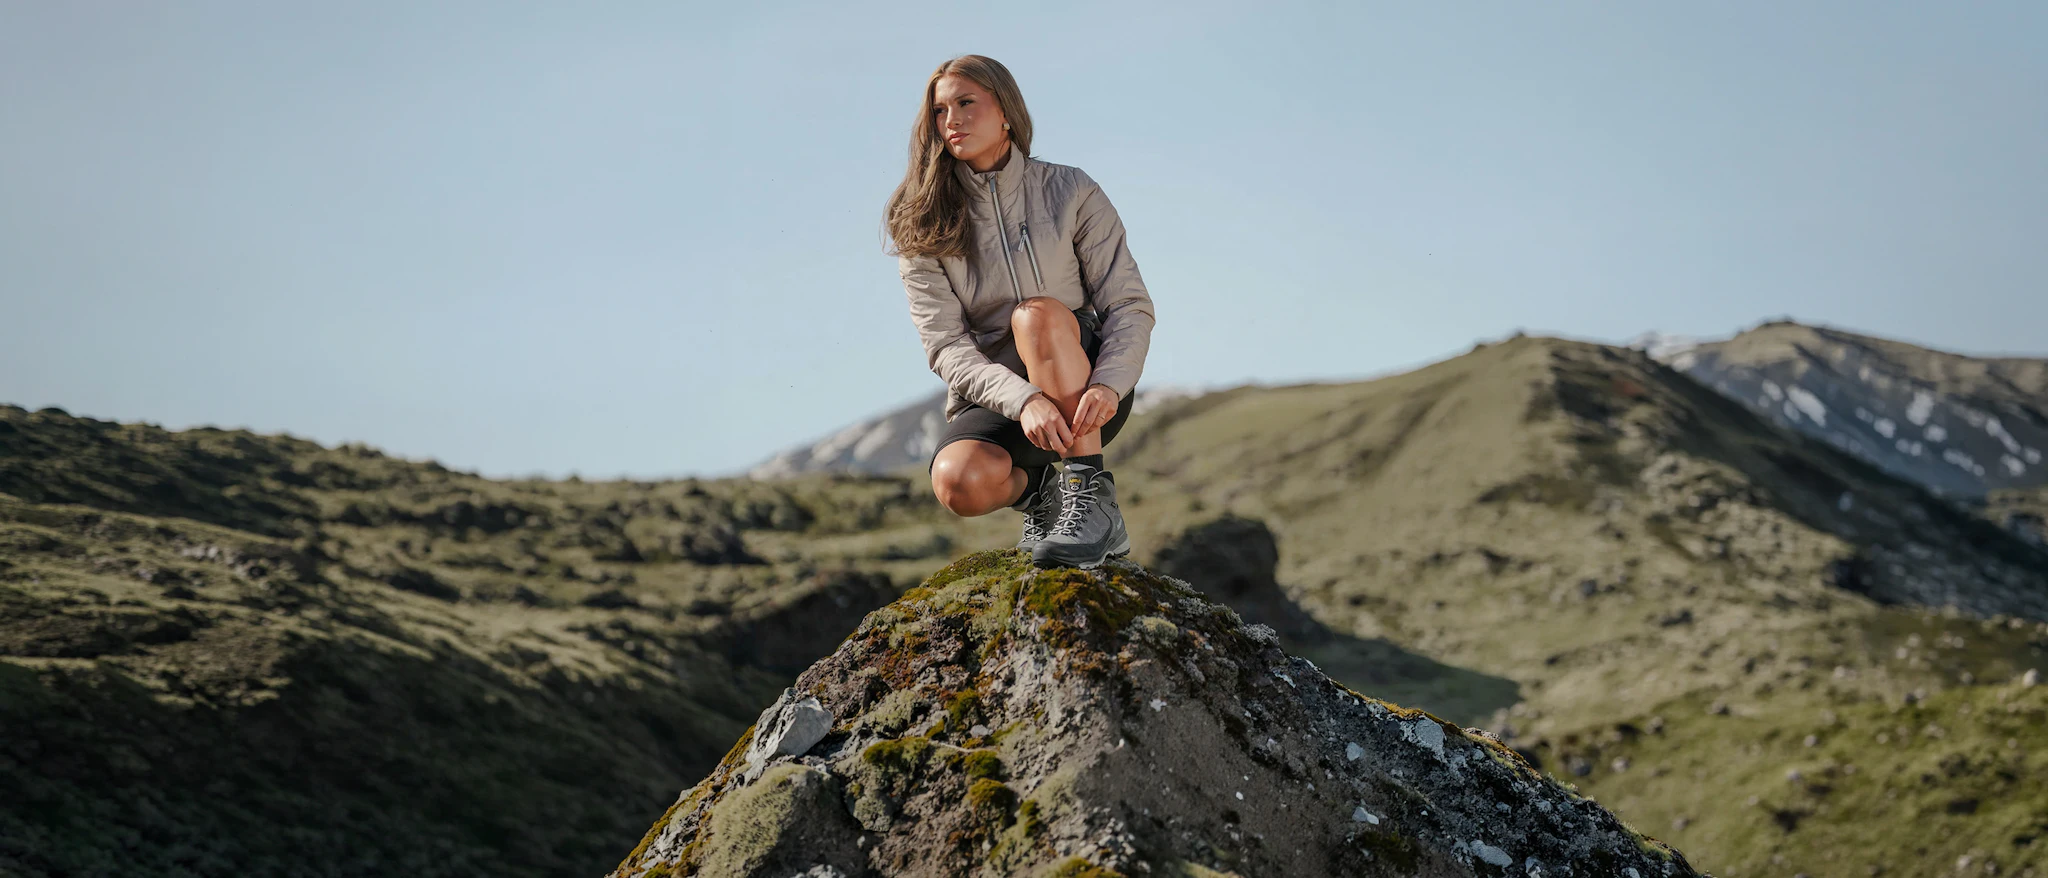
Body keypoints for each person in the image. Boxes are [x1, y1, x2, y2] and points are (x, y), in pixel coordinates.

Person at [882, 54, 1157, 570]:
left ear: (1006, 111)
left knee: (1036, 317)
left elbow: (1128, 305)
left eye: (966, 103)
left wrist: (1109, 383)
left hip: (1086, 391)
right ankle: (1041, 496)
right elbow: (945, 346)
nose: (951, 120)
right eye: (940, 111)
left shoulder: (1070, 190)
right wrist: (1024, 399)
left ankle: (1090, 497)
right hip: (1005, 397)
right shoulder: (921, 220)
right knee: (958, 482)